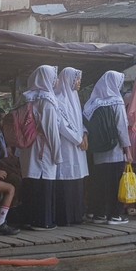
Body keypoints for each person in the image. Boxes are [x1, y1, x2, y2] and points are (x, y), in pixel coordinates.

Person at [83, 70, 132, 225]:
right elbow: (121, 128)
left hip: (98, 152)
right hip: (115, 151)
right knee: (115, 184)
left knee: (99, 183)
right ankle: (115, 215)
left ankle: (99, 214)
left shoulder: (91, 103)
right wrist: (128, 150)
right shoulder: (116, 101)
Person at [17, 65, 62, 230]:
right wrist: (57, 154)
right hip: (43, 148)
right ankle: (43, 221)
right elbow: (51, 130)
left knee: (30, 181)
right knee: (44, 183)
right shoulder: (47, 100)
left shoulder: (25, 97)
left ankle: (28, 219)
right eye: (53, 77)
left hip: (26, 147)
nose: (55, 80)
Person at [54, 67, 88, 226]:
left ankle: (77, 215)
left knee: (77, 180)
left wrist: (85, 134)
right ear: (69, 79)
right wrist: (78, 139)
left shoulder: (74, 97)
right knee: (67, 178)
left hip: (78, 144)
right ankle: (65, 217)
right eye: (77, 78)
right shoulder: (59, 99)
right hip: (67, 145)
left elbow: (80, 121)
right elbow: (63, 125)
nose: (79, 82)